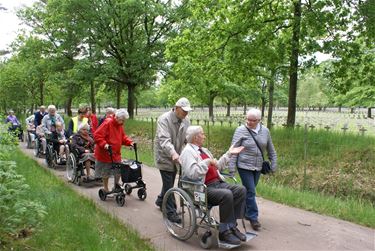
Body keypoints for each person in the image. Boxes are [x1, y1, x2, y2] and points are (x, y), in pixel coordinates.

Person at [180, 125, 247, 245]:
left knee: (240, 190)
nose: (204, 136)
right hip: (201, 189)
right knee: (226, 195)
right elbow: (193, 174)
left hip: (217, 183)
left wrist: (229, 153)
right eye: (202, 134)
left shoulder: (204, 151)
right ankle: (224, 233)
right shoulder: (187, 152)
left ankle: (231, 227)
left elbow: (218, 166)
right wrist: (207, 162)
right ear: (196, 137)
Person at [229, 108, 277, 231]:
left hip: (258, 167)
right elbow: (233, 150)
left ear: (259, 120)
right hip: (244, 165)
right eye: (247, 119)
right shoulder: (241, 130)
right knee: (251, 191)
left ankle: (243, 211)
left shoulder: (265, 131)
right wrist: (231, 168)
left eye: (252, 120)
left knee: (249, 190)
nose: (249, 122)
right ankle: (253, 218)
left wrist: (274, 164)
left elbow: (271, 149)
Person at [154, 97, 192, 215]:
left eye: (187, 111)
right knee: (169, 184)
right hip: (164, 155)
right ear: (176, 108)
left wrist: (194, 149)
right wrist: (173, 153)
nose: (186, 113)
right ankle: (171, 212)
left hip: (176, 156)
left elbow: (187, 138)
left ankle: (161, 200)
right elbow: (164, 140)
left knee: (169, 182)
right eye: (184, 111)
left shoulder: (186, 121)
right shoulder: (164, 119)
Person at [94, 109, 134, 193]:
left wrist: (130, 143)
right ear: (117, 117)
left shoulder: (120, 125)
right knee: (106, 171)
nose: (123, 122)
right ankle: (106, 188)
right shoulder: (107, 123)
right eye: (122, 120)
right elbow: (97, 135)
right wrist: (104, 144)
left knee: (118, 169)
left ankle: (116, 186)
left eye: (124, 120)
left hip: (115, 153)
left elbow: (123, 137)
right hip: (105, 152)